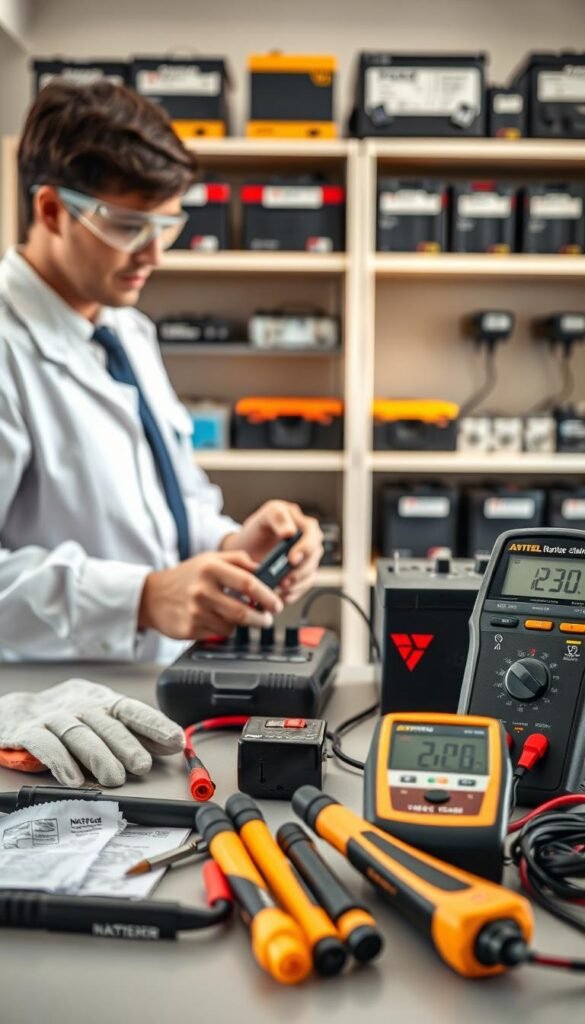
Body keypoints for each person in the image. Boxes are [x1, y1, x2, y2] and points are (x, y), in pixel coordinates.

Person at [0, 80, 324, 664]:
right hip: (44, 711)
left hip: (150, 682)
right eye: (129, 227)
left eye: (167, 225)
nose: (154, 255)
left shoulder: (128, 330)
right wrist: (141, 599)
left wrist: (231, 543)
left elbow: (164, 503)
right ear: (51, 209)